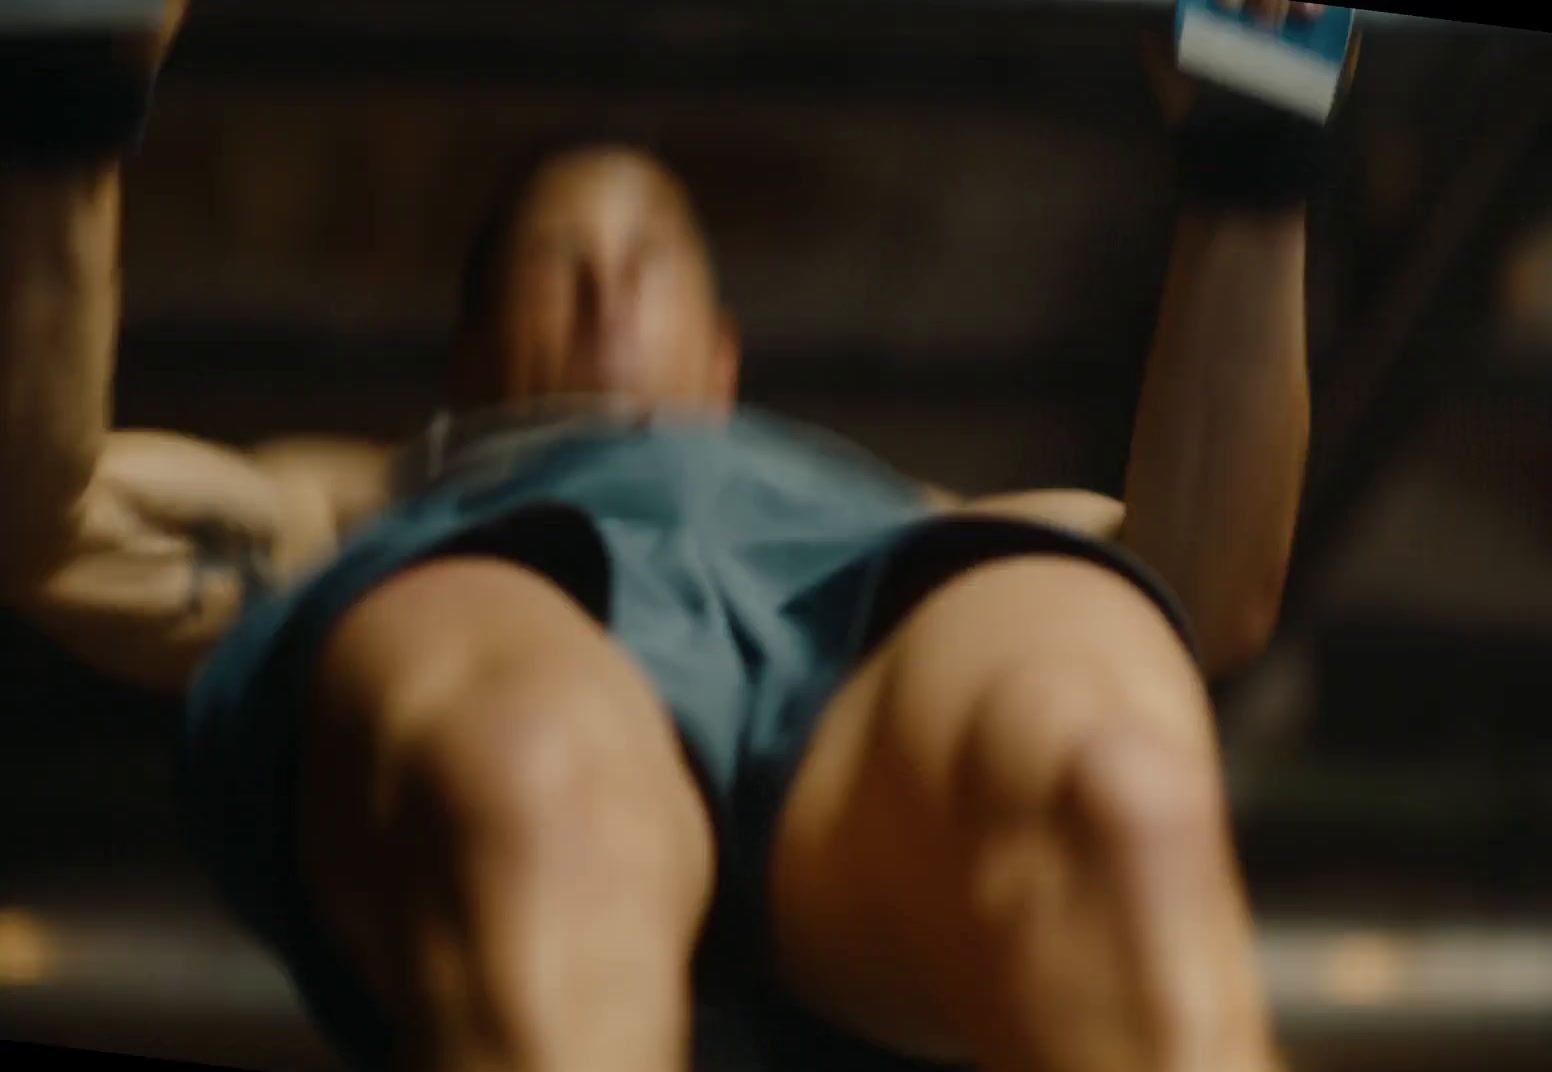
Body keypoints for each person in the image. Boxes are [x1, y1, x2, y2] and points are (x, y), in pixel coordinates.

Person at [0, 2, 1339, 1070]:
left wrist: (1250, 151)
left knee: (1119, 790)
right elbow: (43, 523)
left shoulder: (908, 527)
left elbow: (1204, 583)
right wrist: (72, 100)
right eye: (555, 259)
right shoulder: (358, 502)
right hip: (514, 605)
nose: (603, 287)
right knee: (533, 776)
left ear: (721, 354)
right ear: (470, 353)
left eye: (646, 258)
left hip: (852, 669)